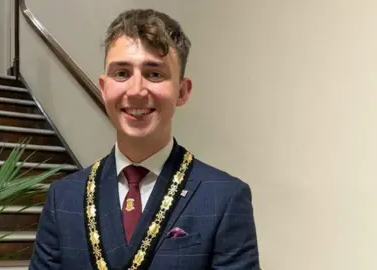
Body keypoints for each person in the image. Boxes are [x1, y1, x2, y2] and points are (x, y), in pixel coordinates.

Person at [29, 8, 260, 270]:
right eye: (122, 73)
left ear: (182, 92)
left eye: (154, 74)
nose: (136, 90)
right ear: (104, 89)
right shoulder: (64, 197)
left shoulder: (224, 197)